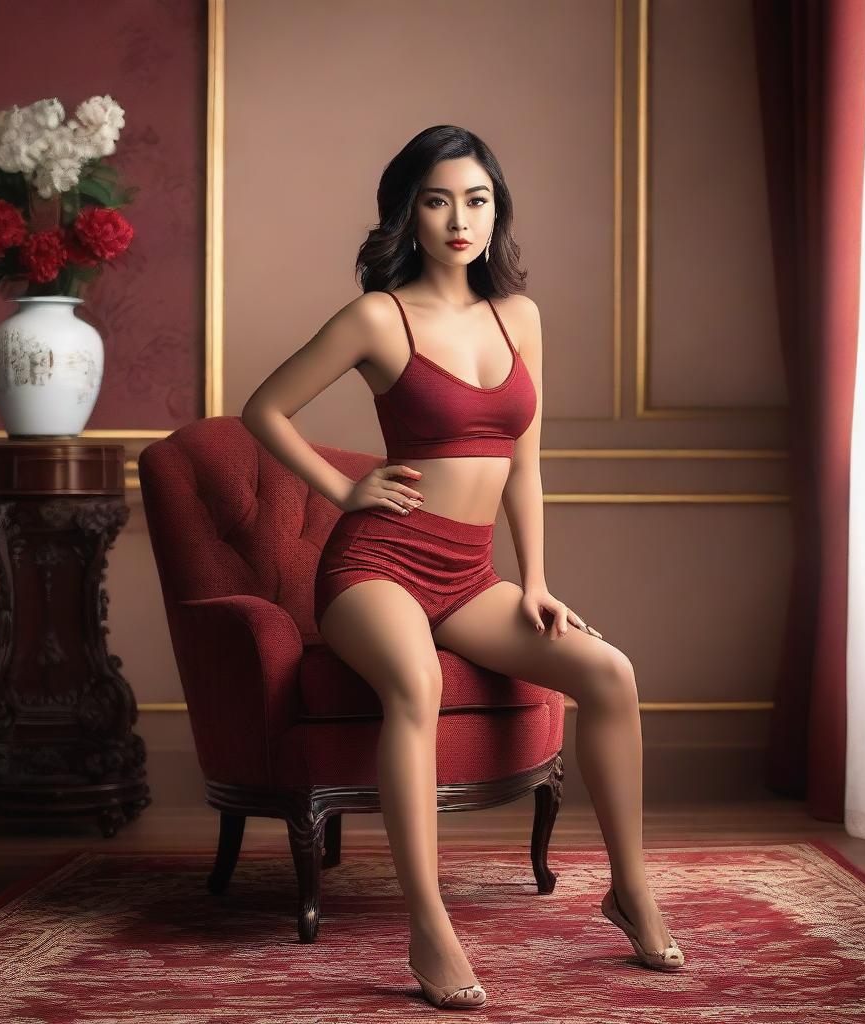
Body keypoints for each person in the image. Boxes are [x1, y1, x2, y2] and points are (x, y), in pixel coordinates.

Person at [241, 125, 684, 1011]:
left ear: (496, 210)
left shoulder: (520, 317)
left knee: (609, 673)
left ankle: (629, 889)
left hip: (469, 576)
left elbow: (527, 459)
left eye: (476, 199)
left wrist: (540, 580)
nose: (458, 219)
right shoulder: (380, 315)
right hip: (375, 571)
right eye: (438, 200)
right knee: (415, 684)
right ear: (409, 210)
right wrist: (345, 486)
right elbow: (264, 408)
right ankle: (429, 923)